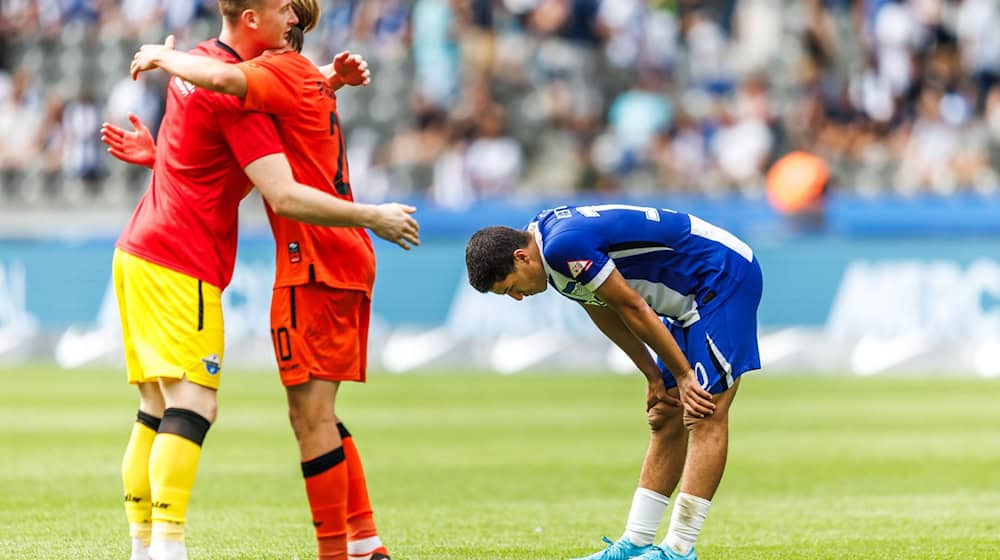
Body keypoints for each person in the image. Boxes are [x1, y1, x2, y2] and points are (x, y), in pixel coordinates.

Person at [101, 2, 418, 560]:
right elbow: (265, 158)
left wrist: (165, 58)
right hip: (190, 258)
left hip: (146, 250)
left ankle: (347, 548)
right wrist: (167, 156)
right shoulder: (250, 81)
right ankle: (169, 549)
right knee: (200, 407)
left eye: (295, 15)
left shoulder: (206, 64)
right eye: (283, 11)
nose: (290, 22)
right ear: (255, 18)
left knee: (172, 407)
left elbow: (240, 96)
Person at [464, 204, 763, 560]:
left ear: (520, 257)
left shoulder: (562, 248)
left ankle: (680, 548)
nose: (517, 297)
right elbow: (603, 310)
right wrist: (653, 376)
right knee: (665, 416)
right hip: (688, 298)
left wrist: (683, 375)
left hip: (721, 277)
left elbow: (634, 307)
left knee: (704, 412)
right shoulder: (547, 250)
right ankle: (635, 542)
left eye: (510, 287)